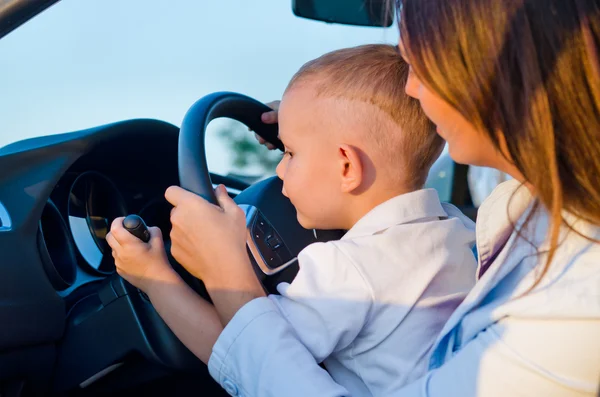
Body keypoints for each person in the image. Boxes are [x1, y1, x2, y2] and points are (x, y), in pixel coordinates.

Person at [108, 44, 478, 396]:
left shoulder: (346, 269)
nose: (279, 171)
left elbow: (246, 355)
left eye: (290, 153)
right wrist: (302, 125)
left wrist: (154, 279)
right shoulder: (460, 230)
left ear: (346, 166)